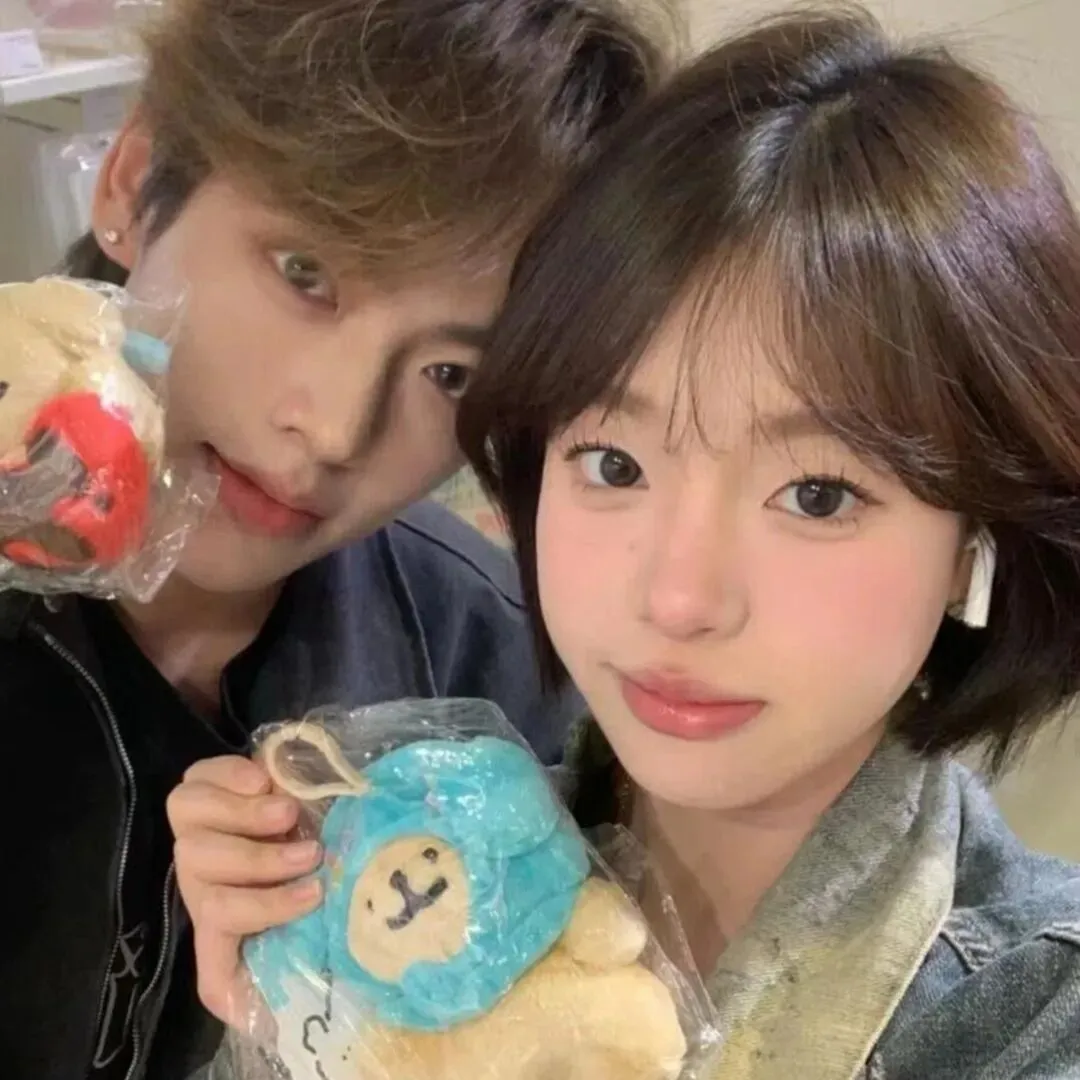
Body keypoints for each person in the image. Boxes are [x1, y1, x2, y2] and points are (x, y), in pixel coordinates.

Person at [0, 0, 666, 1077]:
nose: (335, 429)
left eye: (451, 372)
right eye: (304, 274)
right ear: (134, 181)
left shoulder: (493, 674)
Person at [457, 6, 1080, 1075]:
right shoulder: (434, 890)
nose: (680, 599)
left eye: (818, 495)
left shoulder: (1031, 1015)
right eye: (615, 465)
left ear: (975, 536)